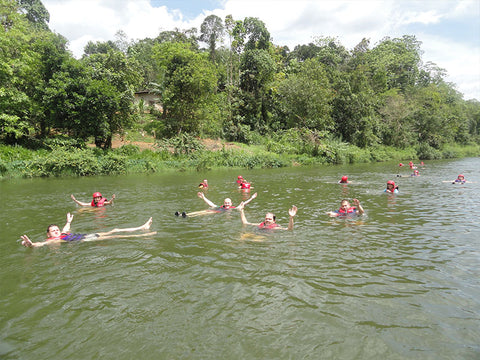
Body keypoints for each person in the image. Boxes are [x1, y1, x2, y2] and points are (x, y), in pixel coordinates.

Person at [20, 213, 155, 248]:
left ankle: (142, 228)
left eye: (56, 229)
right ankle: (141, 236)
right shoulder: (52, 240)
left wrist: (68, 221)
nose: (56, 231)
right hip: (85, 239)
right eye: (53, 231)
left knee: (115, 229)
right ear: (48, 234)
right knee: (115, 236)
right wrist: (31, 245)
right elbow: (41, 244)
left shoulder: (61, 234)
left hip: (85, 235)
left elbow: (66, 228)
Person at [175, 192, 258, 217]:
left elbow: (244, 204)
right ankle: (182, 215)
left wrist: (252, 198)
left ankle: (188, 216)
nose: (227, 204)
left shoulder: (233, 208)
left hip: (217, 212)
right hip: (216, 210)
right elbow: (211, 203)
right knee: (204, 211)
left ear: (231, 203)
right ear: (224, 203)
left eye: (228, 203)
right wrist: (203, 197)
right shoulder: (221, 206)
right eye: (226, 202)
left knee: (206, 212)